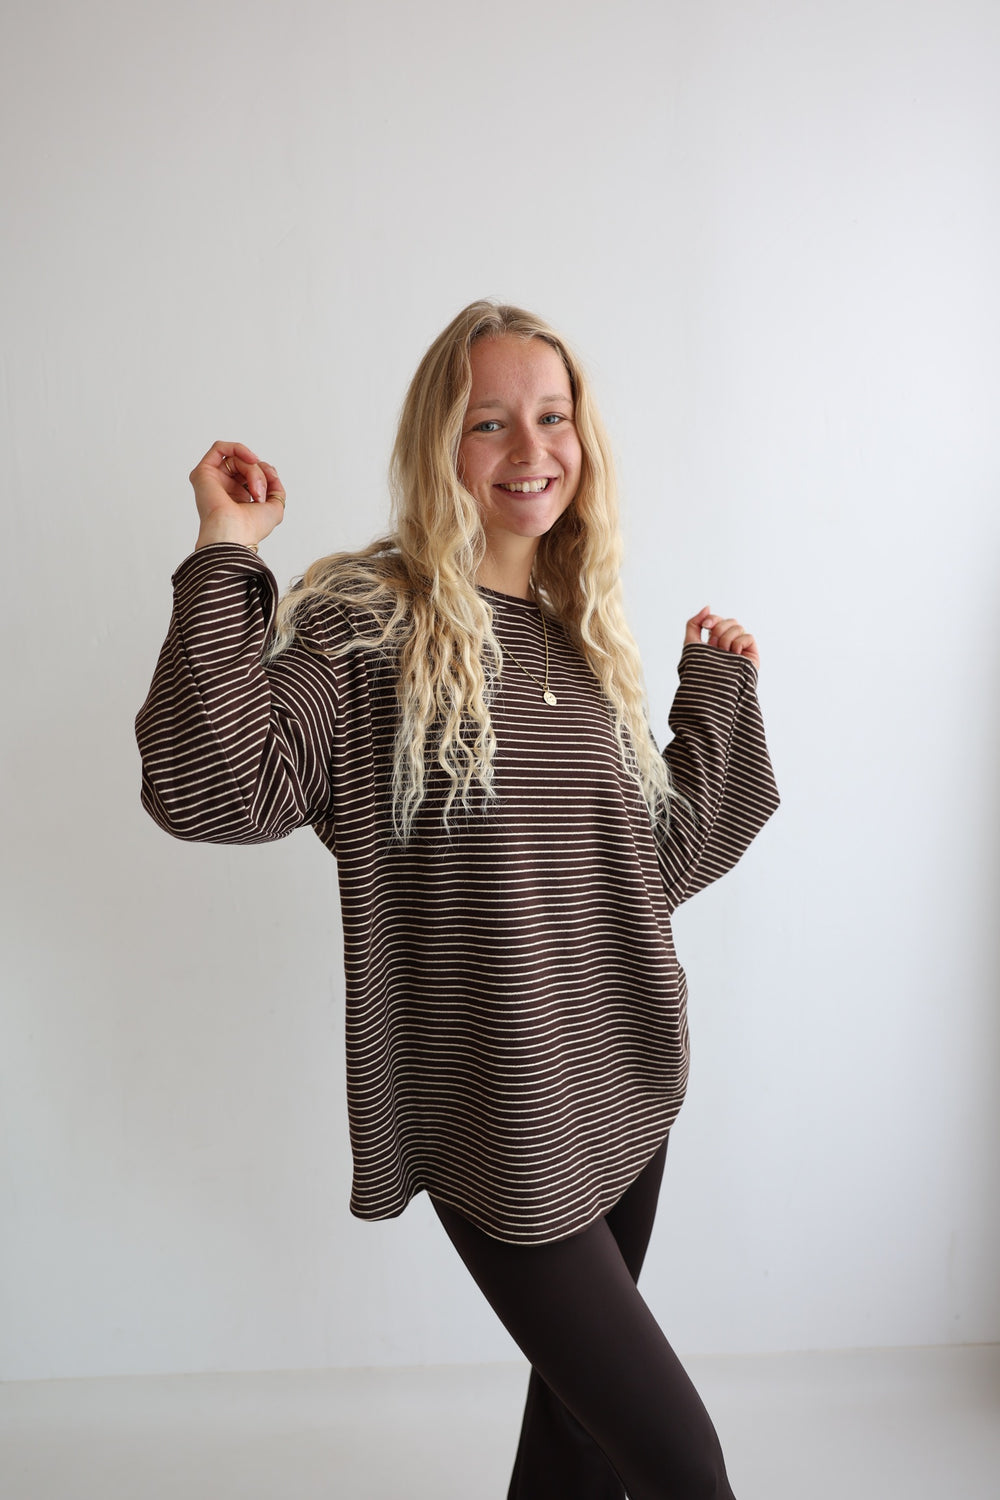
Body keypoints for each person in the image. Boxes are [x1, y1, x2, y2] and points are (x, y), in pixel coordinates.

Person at [136, 300, 779, 1499]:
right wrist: (226, 550)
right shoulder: (367, 622)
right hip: (496, 1115)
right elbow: (213, 785)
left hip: (621, 1085)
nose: (531, 449)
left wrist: (716, 699)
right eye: (491, 422)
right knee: (681, 1463)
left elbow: (649, 870)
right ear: (441, 442)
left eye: (553, 416)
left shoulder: (579, 632)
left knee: (576, 1450)